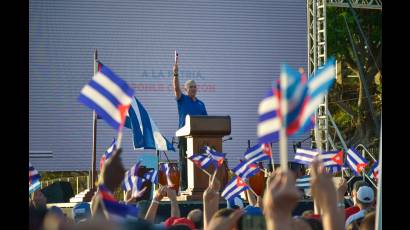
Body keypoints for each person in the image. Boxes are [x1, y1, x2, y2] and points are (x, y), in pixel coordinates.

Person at [172, 63, 208, 190]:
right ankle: (185, 187)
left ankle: (199, 186)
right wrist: (175, 74)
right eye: (190, 87)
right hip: (184, 136)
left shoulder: (201, 104)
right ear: (186, 89)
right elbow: (176, 89)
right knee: (184, 162)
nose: (193, 89)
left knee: (199, 161)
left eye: (195, 87)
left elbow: (206, 122)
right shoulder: (183, 99)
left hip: (199, 138)